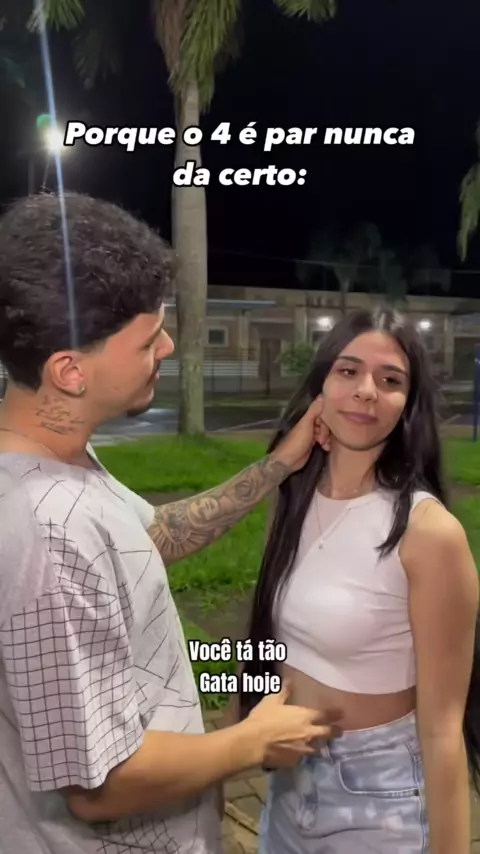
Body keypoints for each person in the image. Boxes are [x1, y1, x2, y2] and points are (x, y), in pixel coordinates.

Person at [0, 191, 342, 854]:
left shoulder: (60, 465)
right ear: (69, 371)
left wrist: (278, 465)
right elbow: (100, 785)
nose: (168, 345)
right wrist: (252, 741)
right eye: (146, 337)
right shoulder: (47, 531)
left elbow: (152, 537)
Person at [234, 307, 480, 853]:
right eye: (348, 371)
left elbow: (443, 730)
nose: (367, 390)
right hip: (288, 780)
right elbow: (269, 643)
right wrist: (238, 738)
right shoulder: (294, 500)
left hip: (378, 796)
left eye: (390, 380)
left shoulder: (429, 533)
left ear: (408, 405)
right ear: (321, 387)